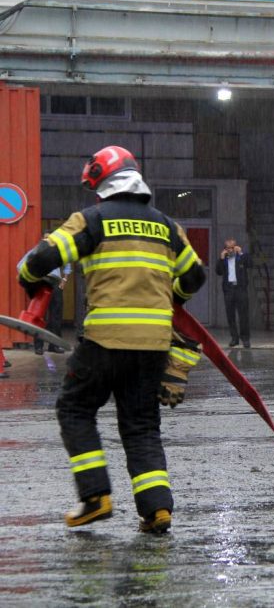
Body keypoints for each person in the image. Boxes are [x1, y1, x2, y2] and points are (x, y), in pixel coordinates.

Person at [17, 145, 206, 533]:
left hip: (104, 342)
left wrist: (32, 282)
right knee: (141, 425)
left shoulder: (92, 220)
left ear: (101, 178)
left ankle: (95, 496)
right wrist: (173, 298)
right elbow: (194, 277)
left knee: (74, 410)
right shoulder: (167, 226)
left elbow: (40, 261)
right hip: (153, 347)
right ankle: (156, 510)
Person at [29, 233, 72, 355]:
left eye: (50, 238)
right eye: (46, 238)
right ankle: (38, 346)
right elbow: (21, 265)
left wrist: (64, 280)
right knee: (39, 316)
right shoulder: (36, 251)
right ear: (42, 239)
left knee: (56, 316)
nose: (48, 240)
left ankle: (54, 345)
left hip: (56, 283)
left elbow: (68, 263)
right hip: (42, 282)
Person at [215, 238, 251, 348]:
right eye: (228, 248)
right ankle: (234, 338)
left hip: (240, 289)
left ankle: (245, 339)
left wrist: (241, 253)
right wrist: (221, 259)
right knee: (230, 315)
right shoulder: (224, 259)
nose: (230, 250)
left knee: (243, 315)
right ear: (225, 249)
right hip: (229, 289)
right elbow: (218, 272)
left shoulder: (241, 257)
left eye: (232, 248)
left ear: (236, 247)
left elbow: (250, 264)